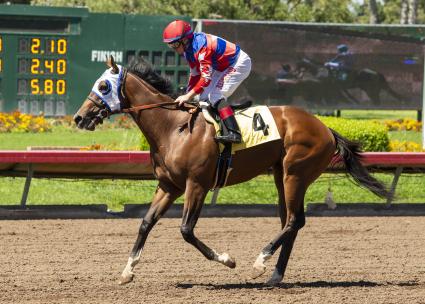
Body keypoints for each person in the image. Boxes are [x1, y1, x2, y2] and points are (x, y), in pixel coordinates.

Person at [163, 20, 252, 144]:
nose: (173, 48)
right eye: (170, 45)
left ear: (184, 40)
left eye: (175, 44)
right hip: (222, 66)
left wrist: (188, 96)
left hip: (238, 62)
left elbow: (205, 78)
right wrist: (188, 94)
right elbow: (194, 74)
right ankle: (223, 114)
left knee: (215, 95)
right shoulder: (188, 50)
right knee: (203, 98)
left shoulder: (202, 47)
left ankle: (234, 133)